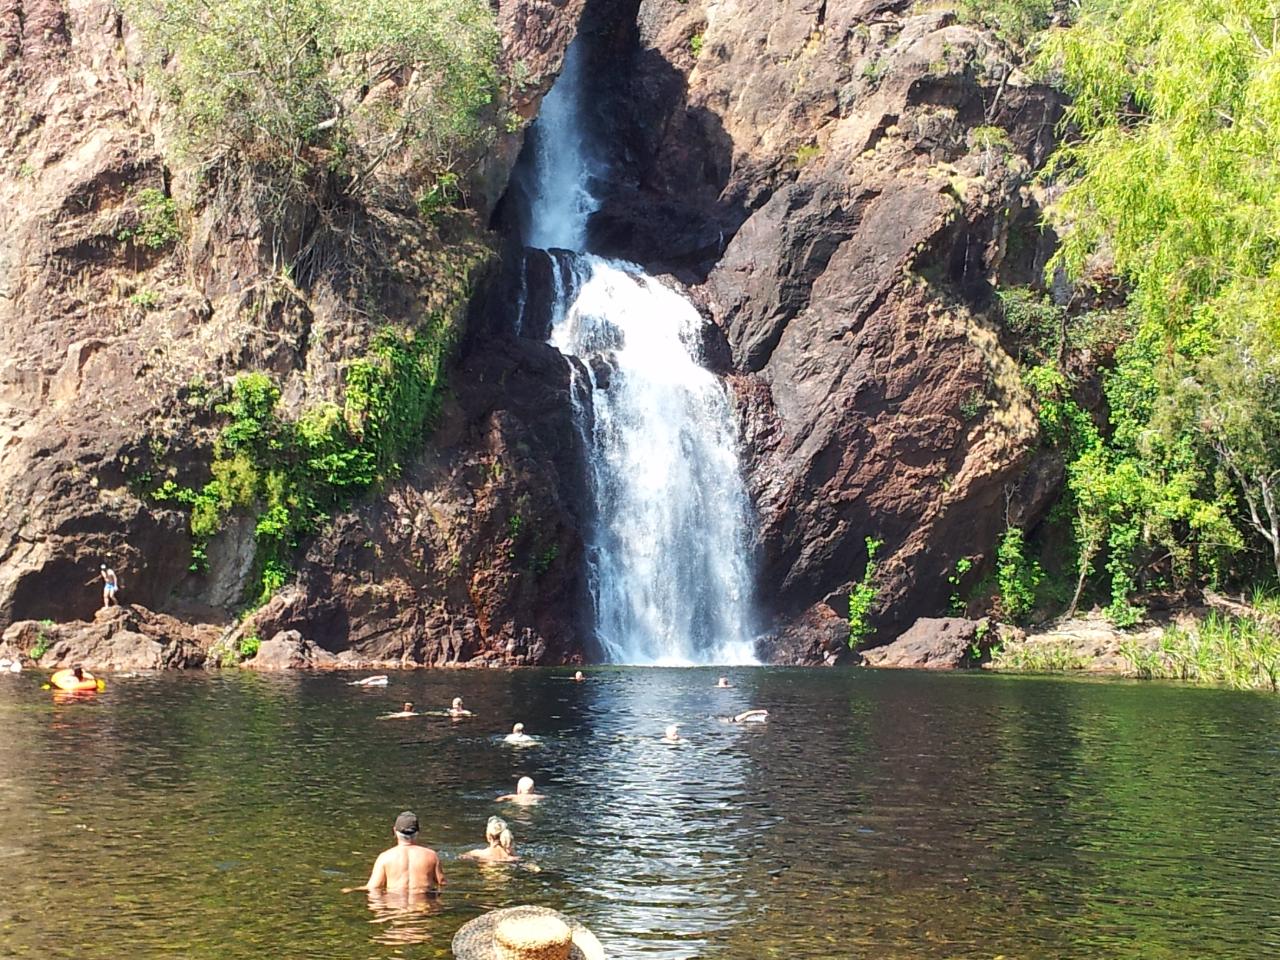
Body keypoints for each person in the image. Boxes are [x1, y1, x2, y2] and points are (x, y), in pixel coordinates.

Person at [344, 811, 445, 894]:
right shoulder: (431, 856)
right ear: (417, 832)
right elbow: (442, 883)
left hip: (395, 909)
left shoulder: (385, 857)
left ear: (394, 831)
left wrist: (352, 889)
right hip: (424, 909)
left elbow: (374, 887)